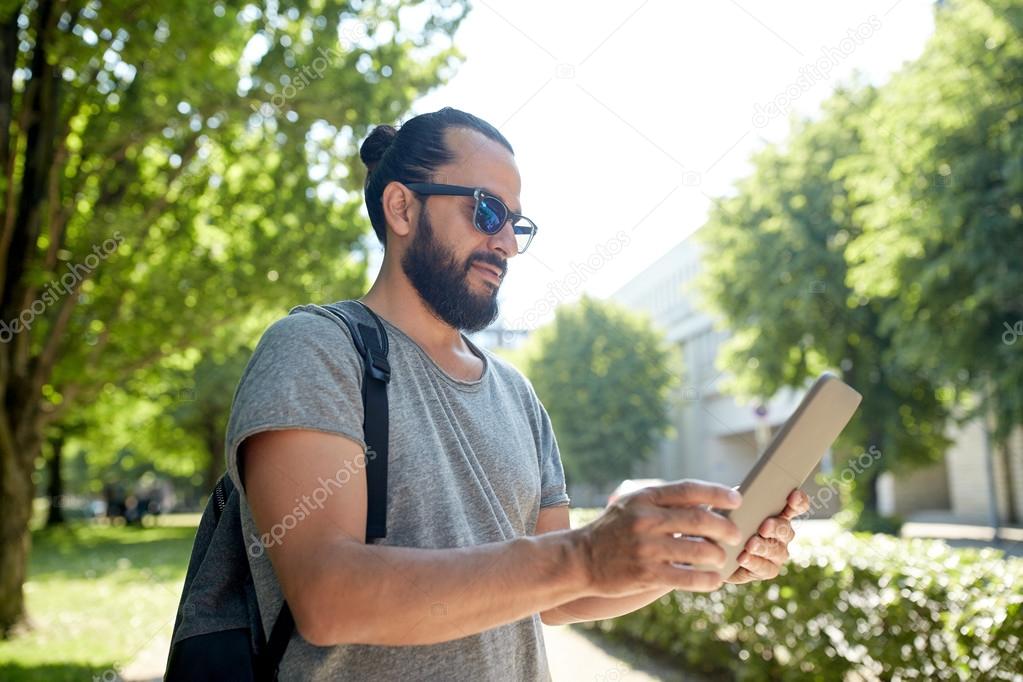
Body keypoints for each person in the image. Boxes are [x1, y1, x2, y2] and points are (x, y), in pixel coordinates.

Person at [228, 107, 810, 680]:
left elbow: (561, 598)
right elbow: (330, 599)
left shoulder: (515, 393)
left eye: (516, 224)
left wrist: (689, 559)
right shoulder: (314, 350)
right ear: (402, 207)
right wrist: (580, 555)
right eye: (487, 211)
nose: (506, 242)